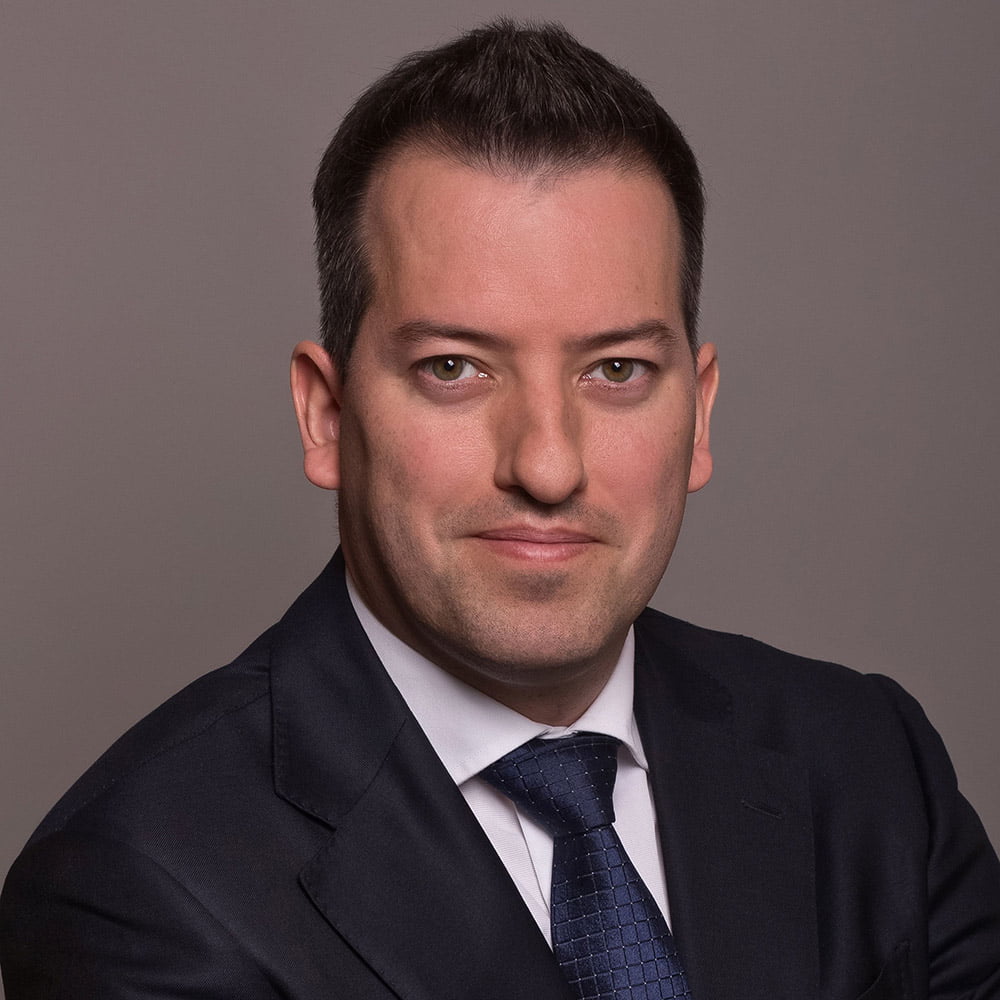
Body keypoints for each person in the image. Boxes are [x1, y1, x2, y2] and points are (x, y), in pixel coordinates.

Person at [1, 19, 998, 1000]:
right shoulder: (136, 884)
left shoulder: (873, 767)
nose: (548, 466)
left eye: (617, 369)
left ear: (698, 416)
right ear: (327, 415)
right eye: (454, 368)